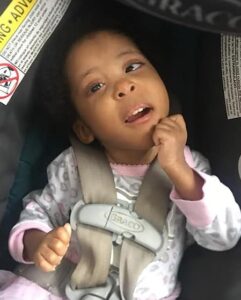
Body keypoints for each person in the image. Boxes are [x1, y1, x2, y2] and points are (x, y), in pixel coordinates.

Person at [3, 17, 241, 300]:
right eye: (96, 87)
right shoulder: (72, 166)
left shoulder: (191, 170)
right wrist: (37, 241)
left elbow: (224, 236)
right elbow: (39, 210)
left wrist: (179, 170)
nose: (124, 86)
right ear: (84, 128)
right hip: (62, 289)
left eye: (132, 67)